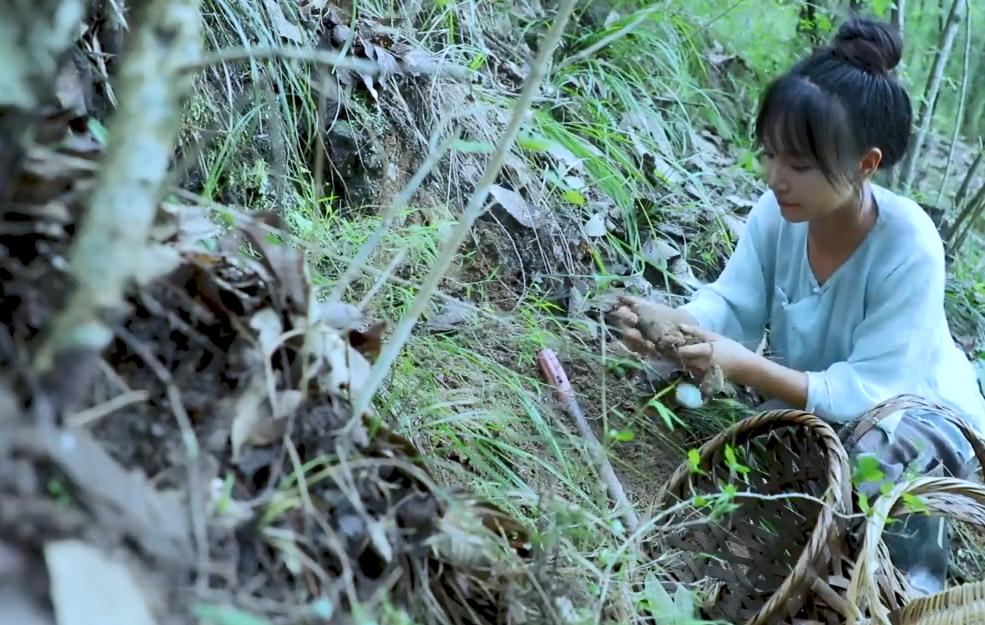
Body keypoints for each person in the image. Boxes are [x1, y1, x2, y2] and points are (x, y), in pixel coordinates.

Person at [613, 17, 985, 596]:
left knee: (878, 458)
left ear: (866, 163)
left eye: (801, 166)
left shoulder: (909, 243)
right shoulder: (776, 215)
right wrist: (674, 325)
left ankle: (908, 590)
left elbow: (876, 390)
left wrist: (743, 366)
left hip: (910, 413)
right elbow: (733, 304)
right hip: (821, 405)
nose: (777, 179)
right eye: (771, 156)